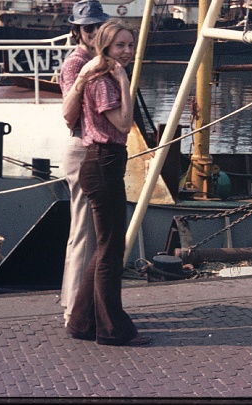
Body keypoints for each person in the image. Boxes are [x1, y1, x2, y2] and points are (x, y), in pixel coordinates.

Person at [65, 18, 151, 347]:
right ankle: (113, 330)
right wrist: (123, 79)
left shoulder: (102, 75)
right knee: (111, 250)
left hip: (106, 162)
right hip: (102, 161)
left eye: (130, 45)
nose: (127, 51)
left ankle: (82, 321)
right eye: (120, 46)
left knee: (106, 247)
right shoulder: (104, 80)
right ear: (105, 47)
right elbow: (125, 122)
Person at [58, 0, 109, 326]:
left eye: (98, 26)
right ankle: (74, 312)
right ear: (78, 30)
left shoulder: (96, 59)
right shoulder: (76, 63)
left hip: (93, 146)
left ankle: (78, 306)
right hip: (83, 146)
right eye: (88, 27)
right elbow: (69, 114)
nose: (94, 32)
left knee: (88, 232)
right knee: (83, 233)